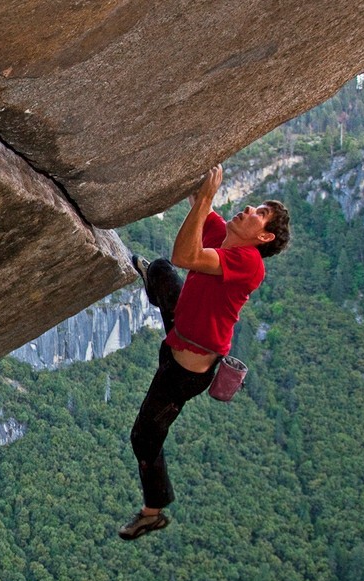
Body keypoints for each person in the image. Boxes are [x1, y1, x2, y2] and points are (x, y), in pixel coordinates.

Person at [119, 164, 291, 540]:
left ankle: (153, 512)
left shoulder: (249, 265)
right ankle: (154, 283)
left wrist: (209, 198)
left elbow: (187, 255)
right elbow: (197, 201)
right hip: (181, 329)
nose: (249, 209)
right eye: (256, 205)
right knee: (162, 271)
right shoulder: (224, 235)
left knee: (144, 437)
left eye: (261, 214)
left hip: (186, 371)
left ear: (263, 237)